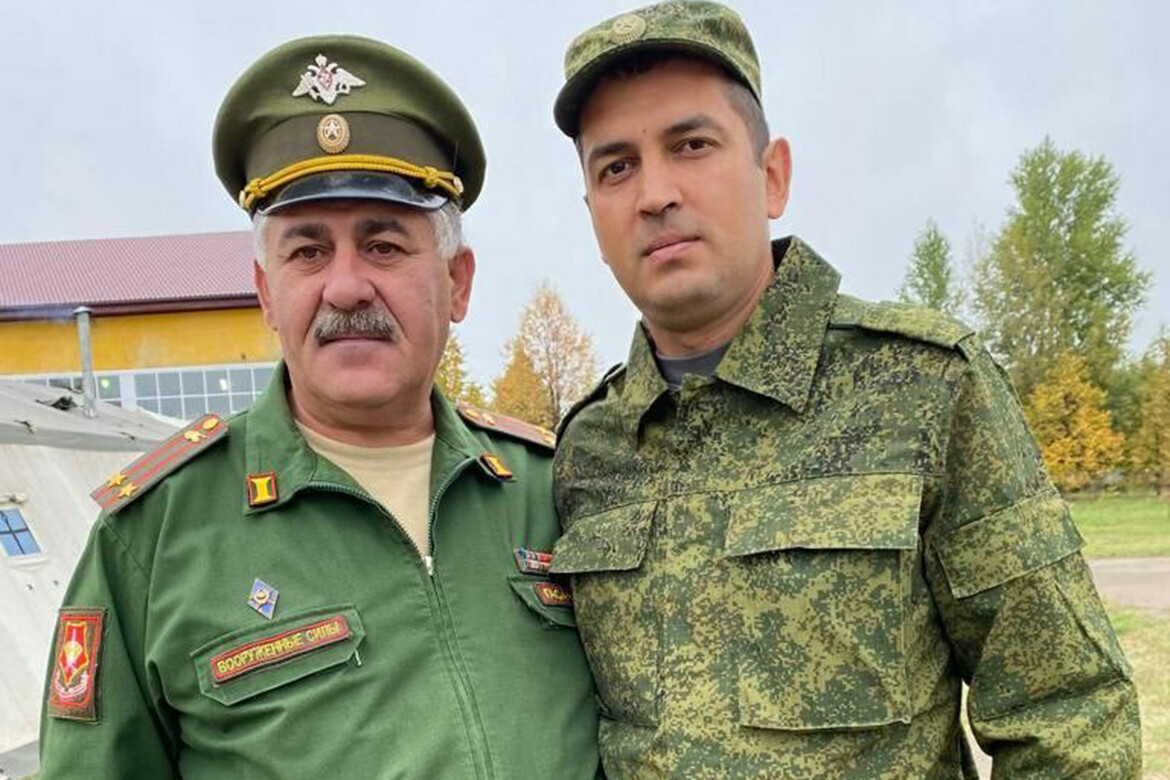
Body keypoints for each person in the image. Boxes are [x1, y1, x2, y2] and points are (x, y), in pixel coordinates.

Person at [548, 2, 1142, 777]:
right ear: (592, 214)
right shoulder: (589, 449)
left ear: (772, 177)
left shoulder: (923, 387)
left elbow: (1069, 714)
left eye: (691, 145)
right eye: (616, 167)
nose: (654, 193)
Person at [38, 34, 599, 779]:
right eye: (308, 252)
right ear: (267, 293)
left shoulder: (554, 493)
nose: (346, 287)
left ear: (457, 283)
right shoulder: (154, 536)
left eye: (384, 246)